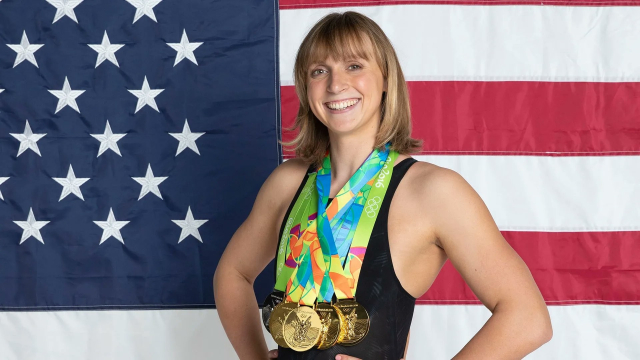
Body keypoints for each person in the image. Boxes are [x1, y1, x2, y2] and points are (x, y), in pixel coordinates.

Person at [213, 11, 552, 360]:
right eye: (319, 71)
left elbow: (527, 318)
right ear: (305, 87)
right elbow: (233, 273)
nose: (335, 84)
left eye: (354, 66)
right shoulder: (287, 183)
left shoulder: (435, 192)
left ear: (386, 78)